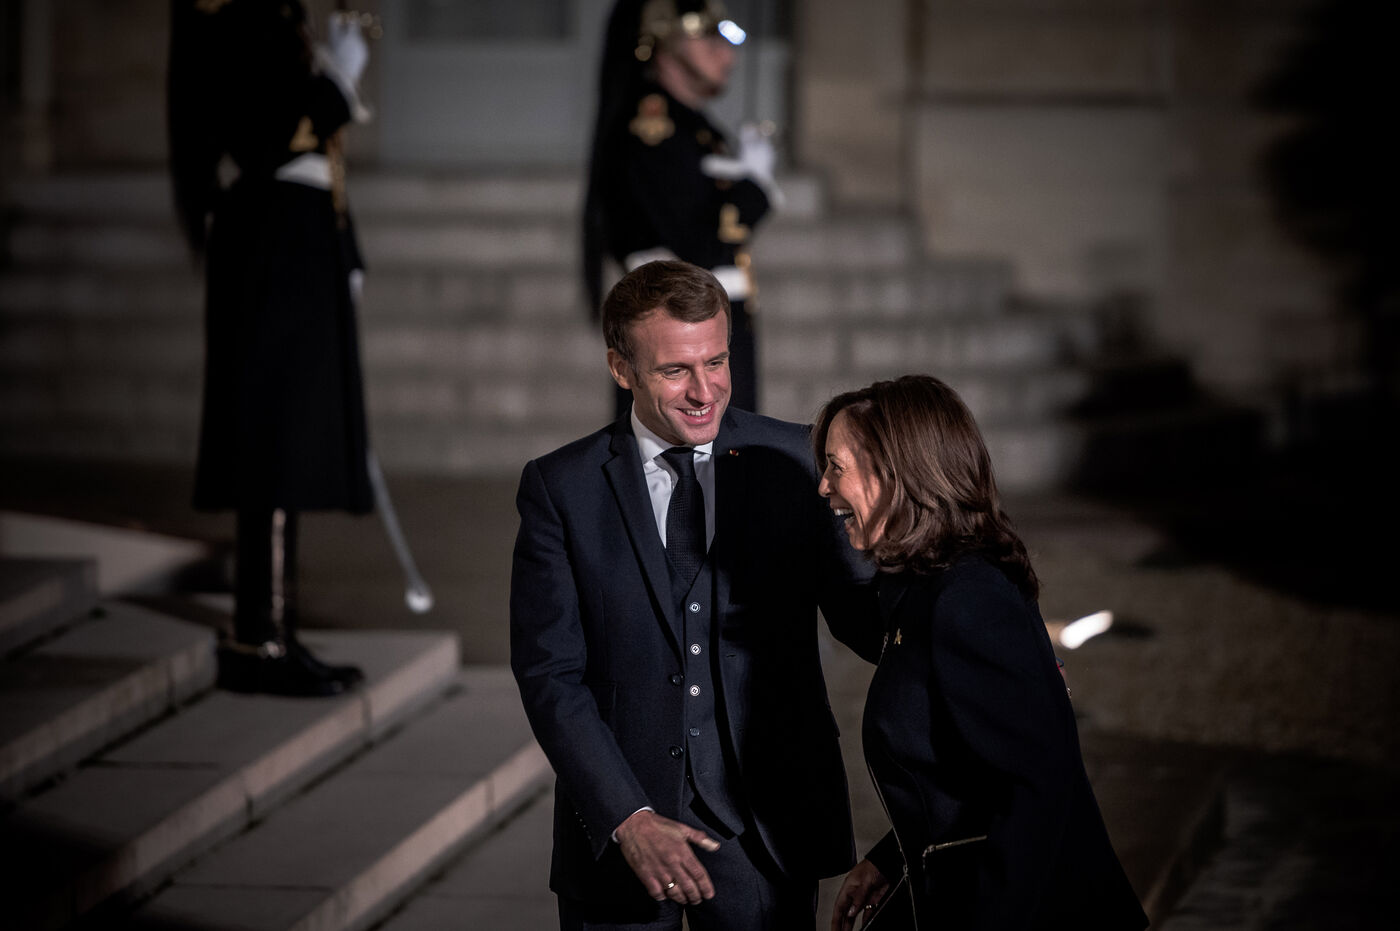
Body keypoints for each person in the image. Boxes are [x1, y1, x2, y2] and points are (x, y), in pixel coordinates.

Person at [510, 259, 880, 930]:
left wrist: (985, 630)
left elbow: (868, 615)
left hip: (765, 829)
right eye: (675, 370)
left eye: (717, 361)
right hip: (622, 836)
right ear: (621, 368)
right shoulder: (561, 488)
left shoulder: (797, 461)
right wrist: (627, 815)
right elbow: (549, 674)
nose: (705, 391)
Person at [815, 375, 1149, 931]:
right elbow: (962, 776)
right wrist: (892, 858)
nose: (824, 487)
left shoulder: (967, 599)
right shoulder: (922, 587)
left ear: (896, 473)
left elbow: (1037, 786)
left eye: (835, 467)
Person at [167, 0, 374, 696]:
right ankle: (260, 637)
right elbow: (267, 139)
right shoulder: (230, 11)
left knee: (288, 440)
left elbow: (319, 160)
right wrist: (336, 86)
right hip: (271, 244)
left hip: (300, 238)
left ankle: (273, 629)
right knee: (272, 443)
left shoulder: (279, 13)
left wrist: (345, 248)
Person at [583, 0, 778, 417]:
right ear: (666, 41)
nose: (727, 56)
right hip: (678, 334)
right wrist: (753, 192)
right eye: (709, 39)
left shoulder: (695, 126)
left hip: (705, 321)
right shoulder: (652, 130)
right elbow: (699, 245)